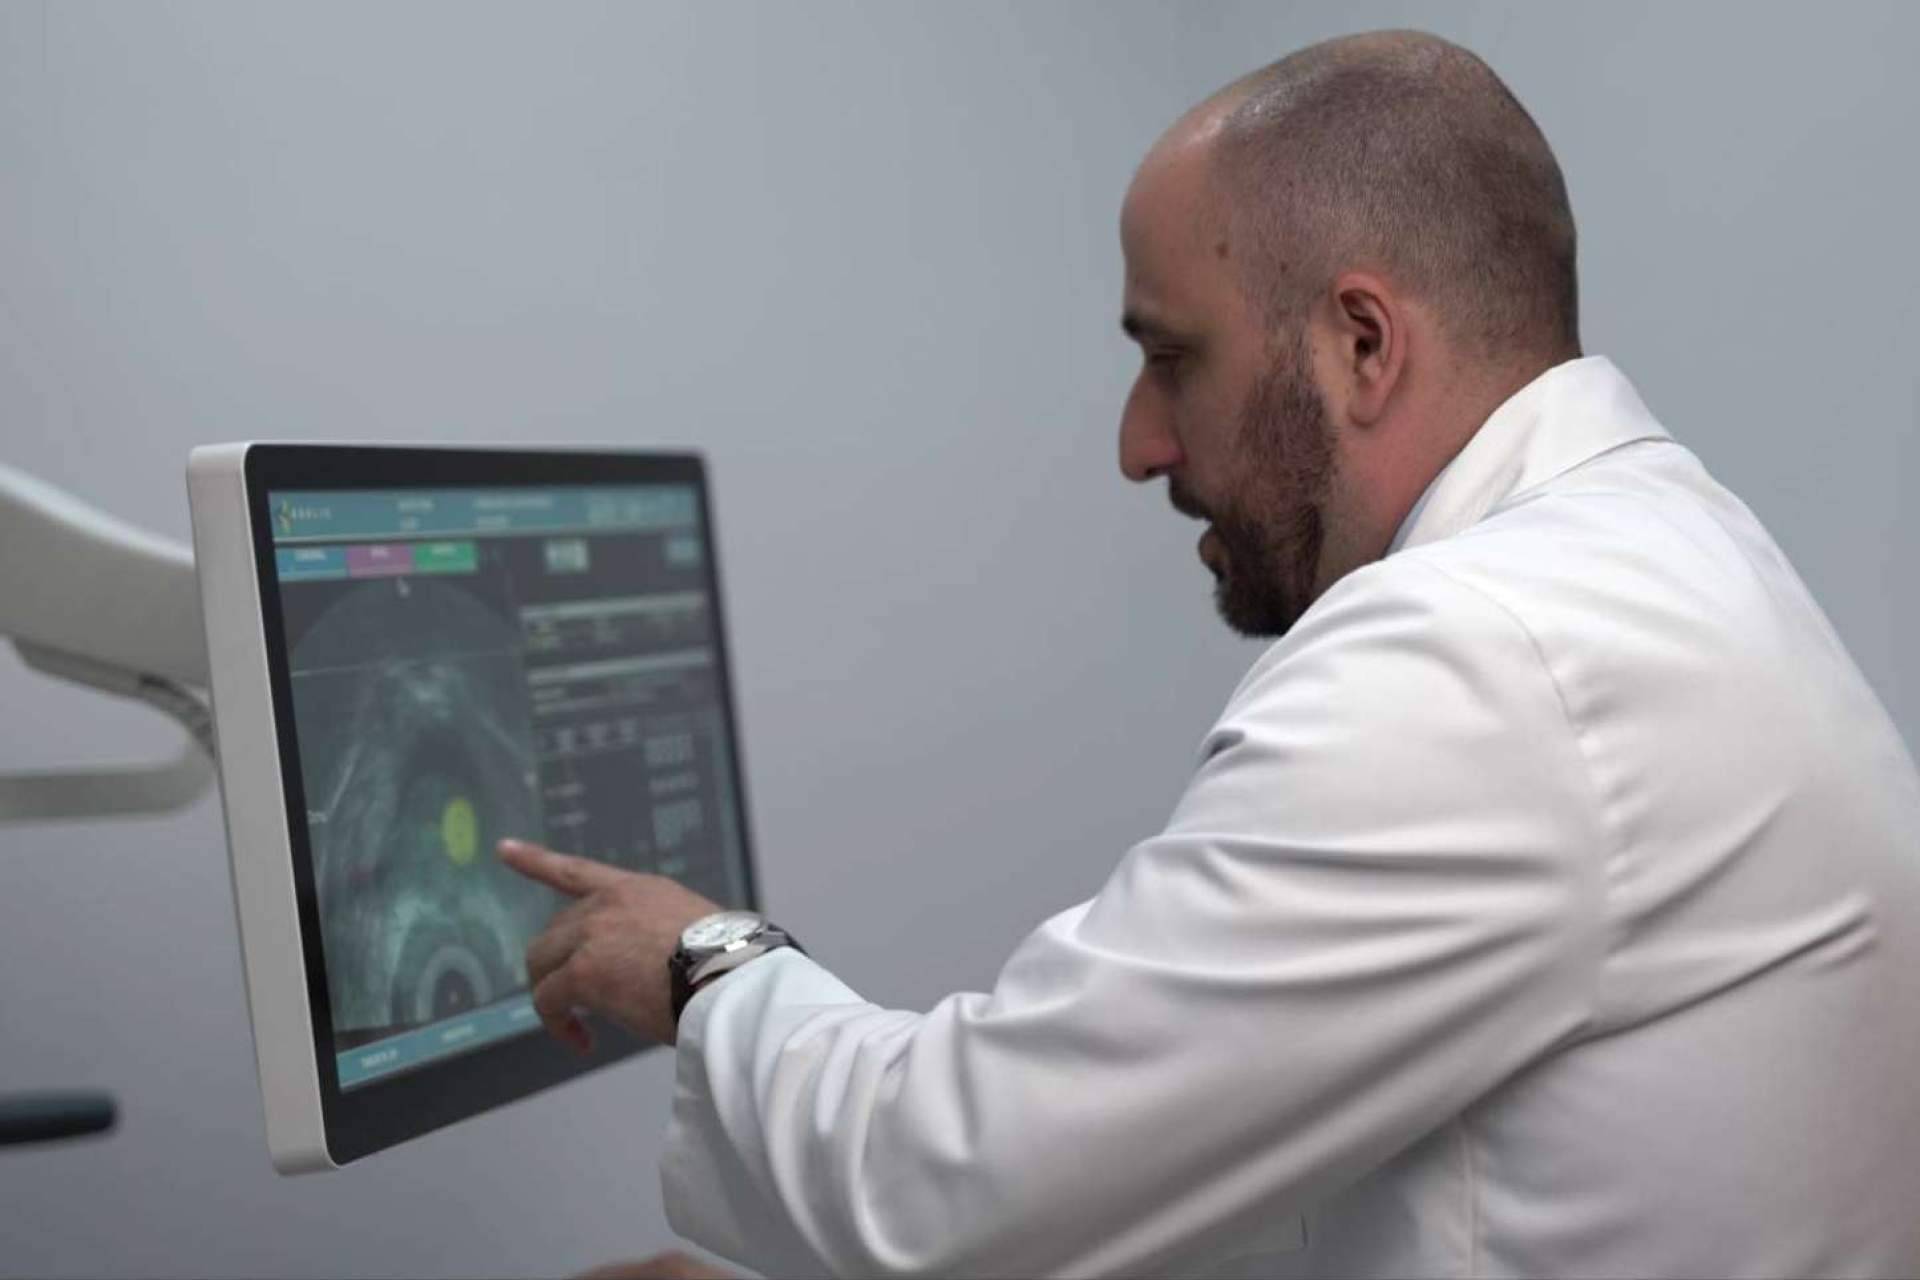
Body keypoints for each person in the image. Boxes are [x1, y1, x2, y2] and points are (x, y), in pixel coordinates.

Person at [503, 29, 1920, 1279]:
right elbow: (1356, 1195)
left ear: (1362, 345)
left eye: (1172, 358)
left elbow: (957, 1186)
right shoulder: (1668, 553)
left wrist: (704, 962)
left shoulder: (1476, 659)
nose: (1139, 445)